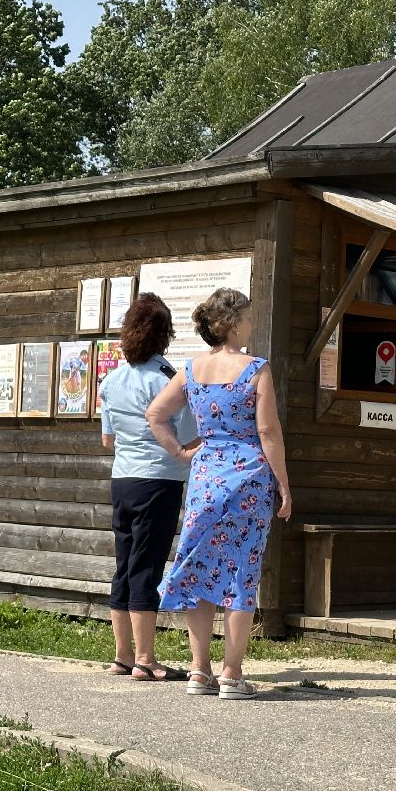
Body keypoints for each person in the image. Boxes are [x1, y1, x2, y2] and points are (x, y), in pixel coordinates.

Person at [146, 287, 292, 700]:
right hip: (249, 477)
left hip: (207, 477)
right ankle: (232, 672)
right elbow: (267, 432)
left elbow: (156, 414)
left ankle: (198, 671)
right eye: (247, 317)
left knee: (199, 568)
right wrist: (283, 483)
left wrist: (181, 451)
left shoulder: (191, 370)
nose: (251, 323)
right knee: (240, 571)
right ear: (233, 322)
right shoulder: (256, 369)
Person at [97, 293, 198, 682]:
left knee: (125, 564)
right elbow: (189, 438)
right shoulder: (167, 381)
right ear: (164, 336)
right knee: (147, 565)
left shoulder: (111, 380)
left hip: (122, 479)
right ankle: (145, 658)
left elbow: (108, 440)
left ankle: (122, 655)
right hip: (160, 480)